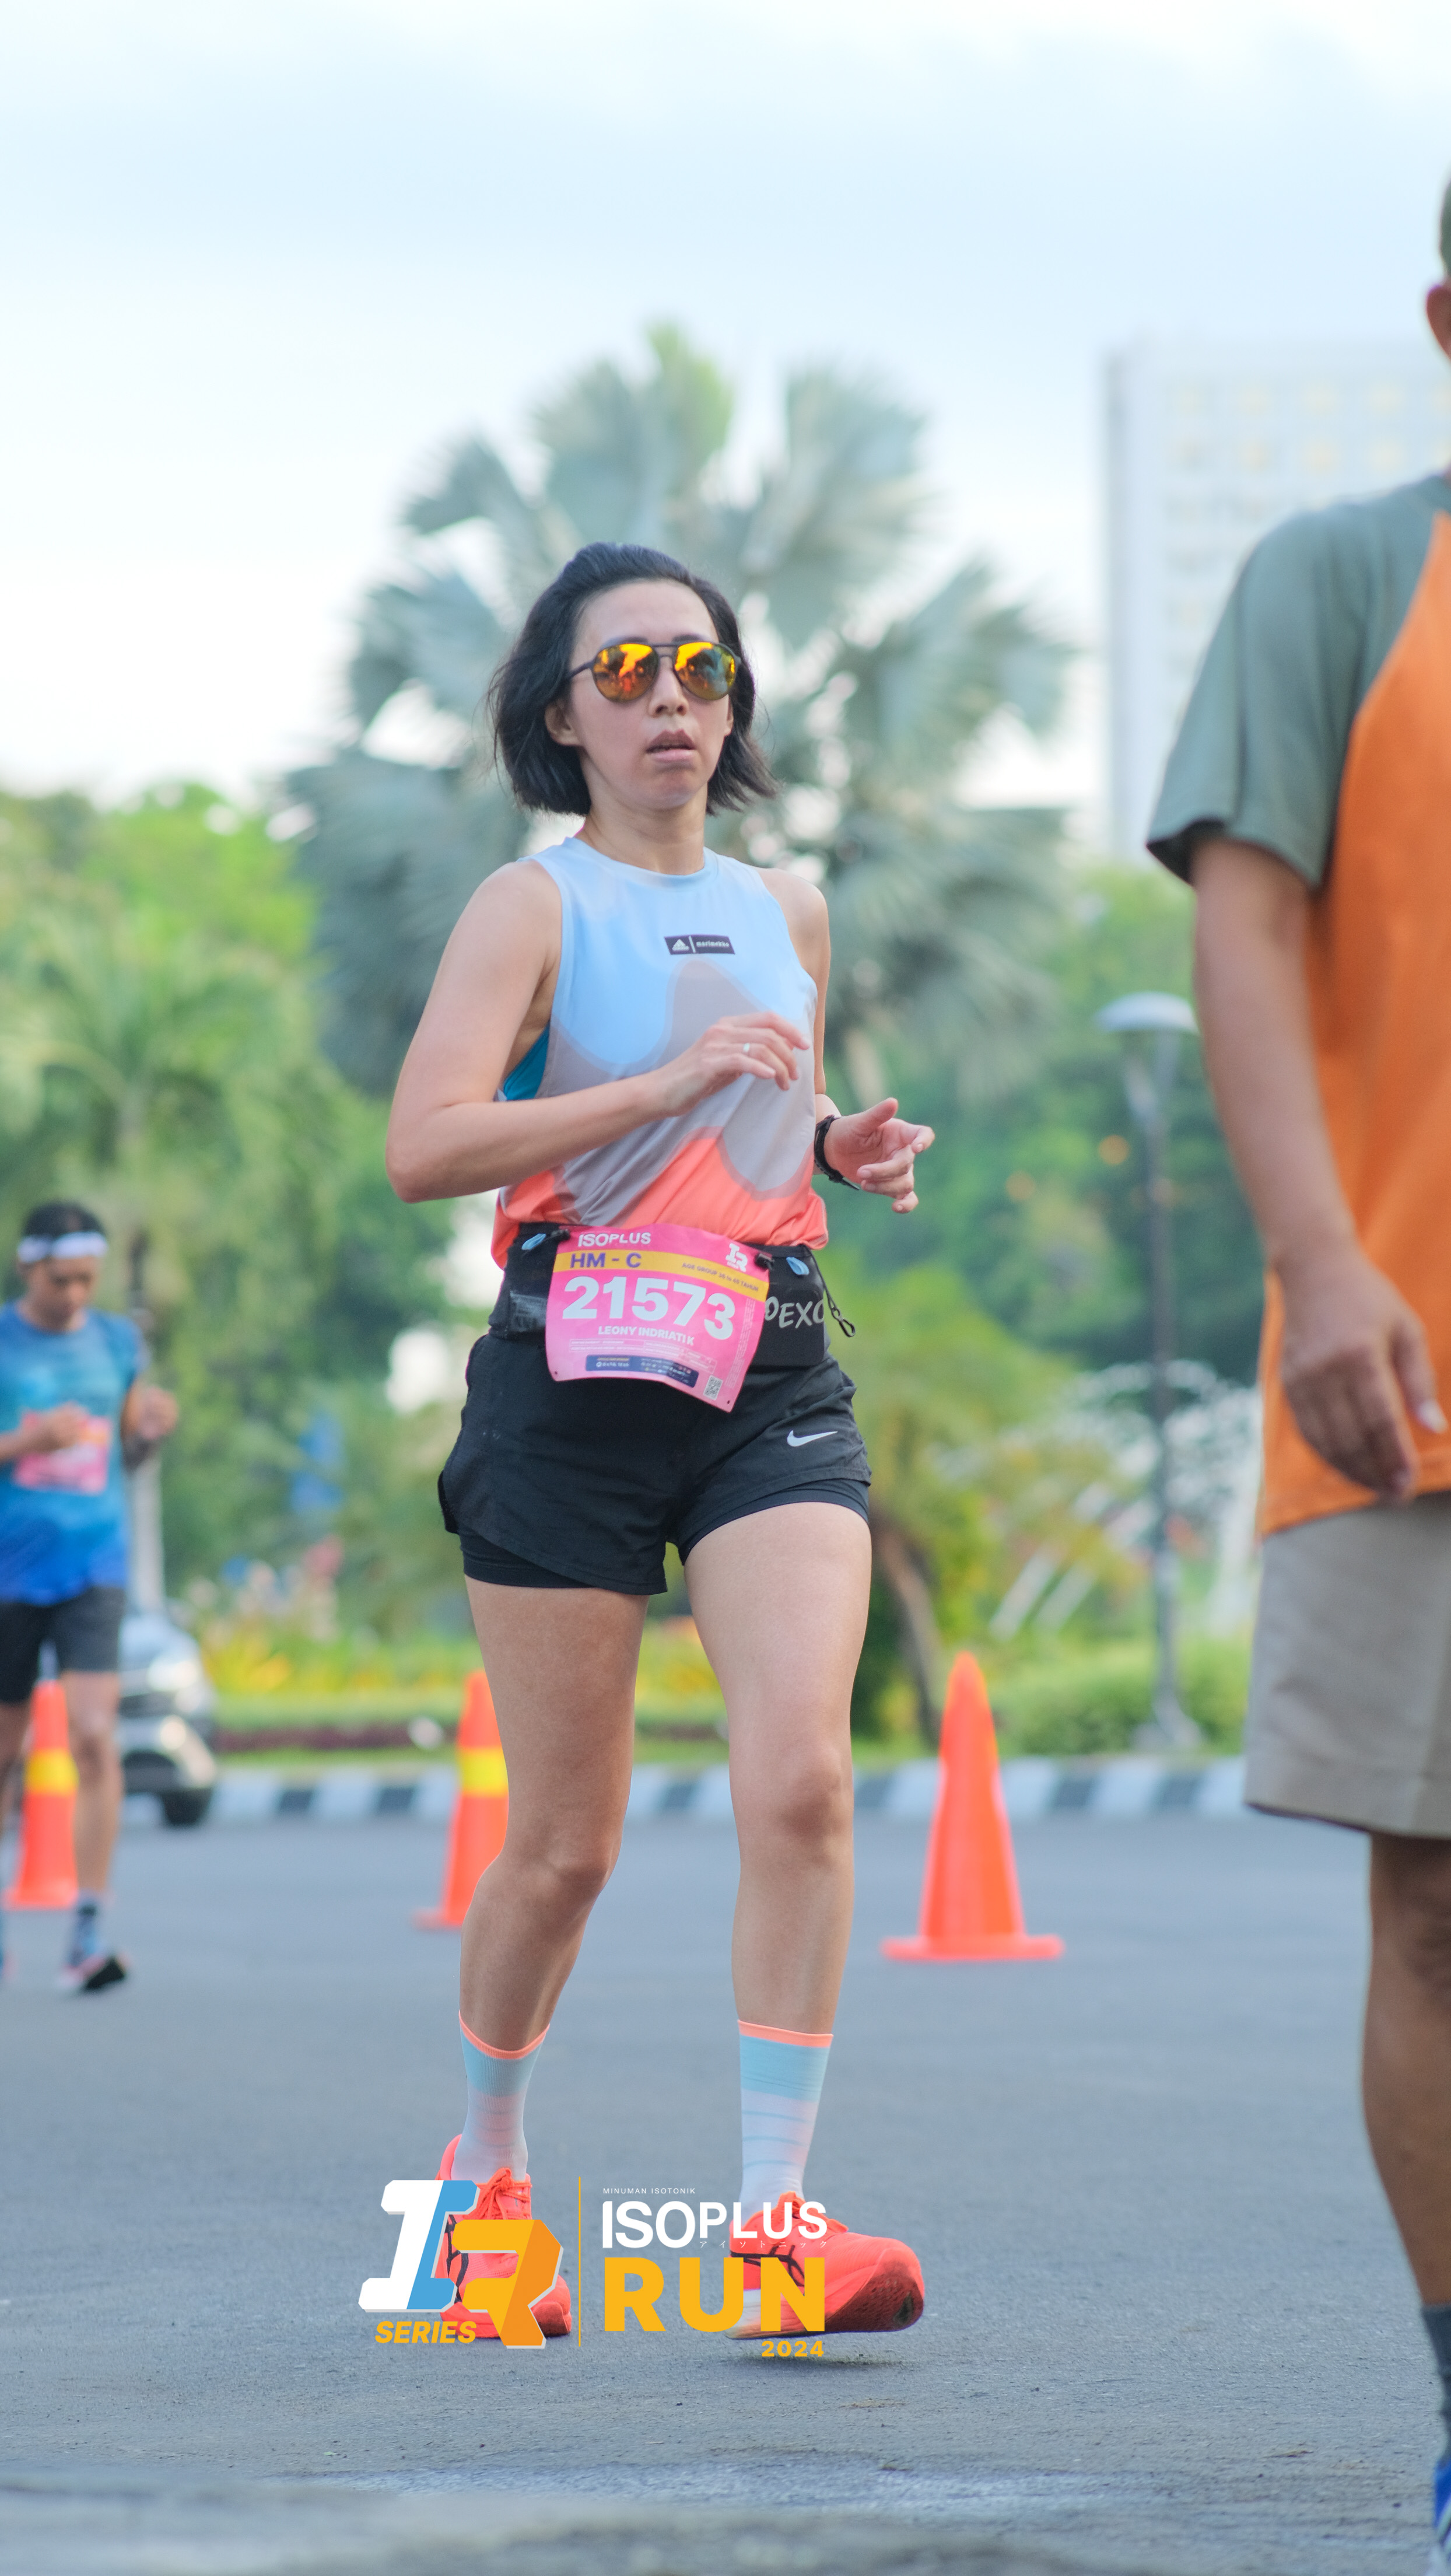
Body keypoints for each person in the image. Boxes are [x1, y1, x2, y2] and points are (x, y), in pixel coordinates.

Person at [386, 541, 935, 2342]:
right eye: (626, 673)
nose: (672, 702)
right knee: (564, 1846)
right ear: (563, 715)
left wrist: (839, 1145)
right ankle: (485, 2192)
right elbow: (426, 1144)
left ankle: (774, 2227)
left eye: (701, 669)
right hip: (571, 1380)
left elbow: (770, 1115)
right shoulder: (530, 907)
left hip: (767, 1366)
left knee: (805, 1784)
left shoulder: (792, 907)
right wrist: (652, 1089)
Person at [1148, 183, 1451, 2569]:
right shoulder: (1340, 581)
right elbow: (1242, 925)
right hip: (1413, 1364)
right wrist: (1319, 1262)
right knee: (1438, 1911)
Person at [0, 1201, 179, 1992]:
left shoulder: (117, 1343)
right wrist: (26, 1441)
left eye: (87, 1280)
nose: (74, 1295)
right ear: (28, 1266)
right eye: (60, 1279)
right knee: (4, 1743)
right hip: (5, 1573)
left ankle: (89, 1922)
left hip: (93, 1565)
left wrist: (149, 1432)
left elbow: (124, 1451)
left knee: (95, 1735)